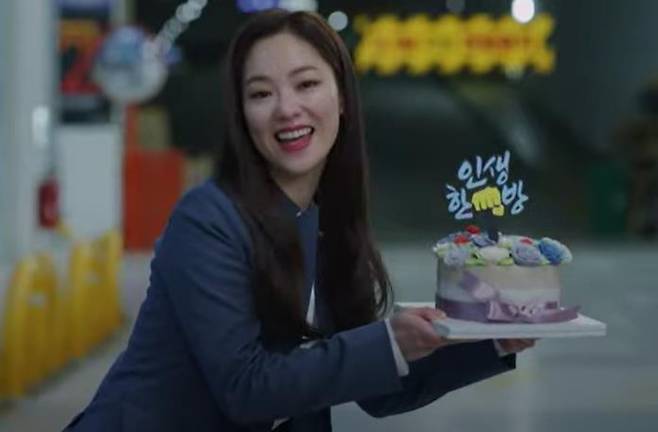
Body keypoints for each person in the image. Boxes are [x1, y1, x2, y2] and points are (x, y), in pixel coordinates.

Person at [65, 10, 534, 432]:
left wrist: (493, 342)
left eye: (306, 84)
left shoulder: (327, 222)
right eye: (261, 93)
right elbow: (245, 387)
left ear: (342, 97)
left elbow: (377, 386)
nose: (287, 108)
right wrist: (389, 341)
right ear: (242, 115)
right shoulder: (208, 220)